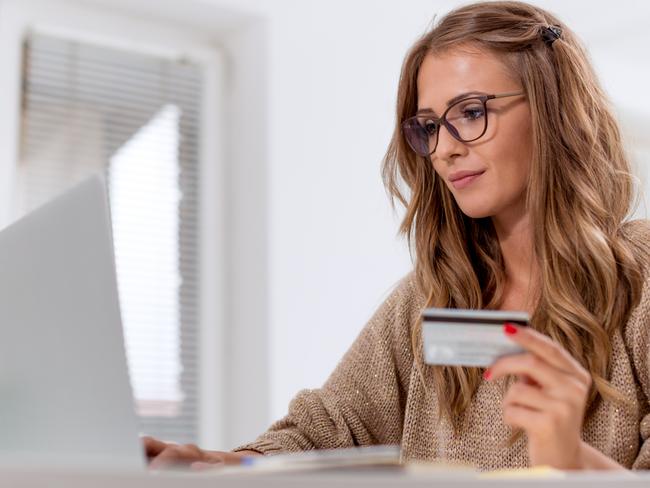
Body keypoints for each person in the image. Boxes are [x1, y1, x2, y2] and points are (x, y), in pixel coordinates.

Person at [145, 1, 650, 471]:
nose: (444, 150)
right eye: (430, 126)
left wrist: (573, 462)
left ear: (551, 108)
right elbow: (330, 429)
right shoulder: (432, 297)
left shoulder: (642, 278)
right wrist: (211, 464)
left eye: (471, 113)